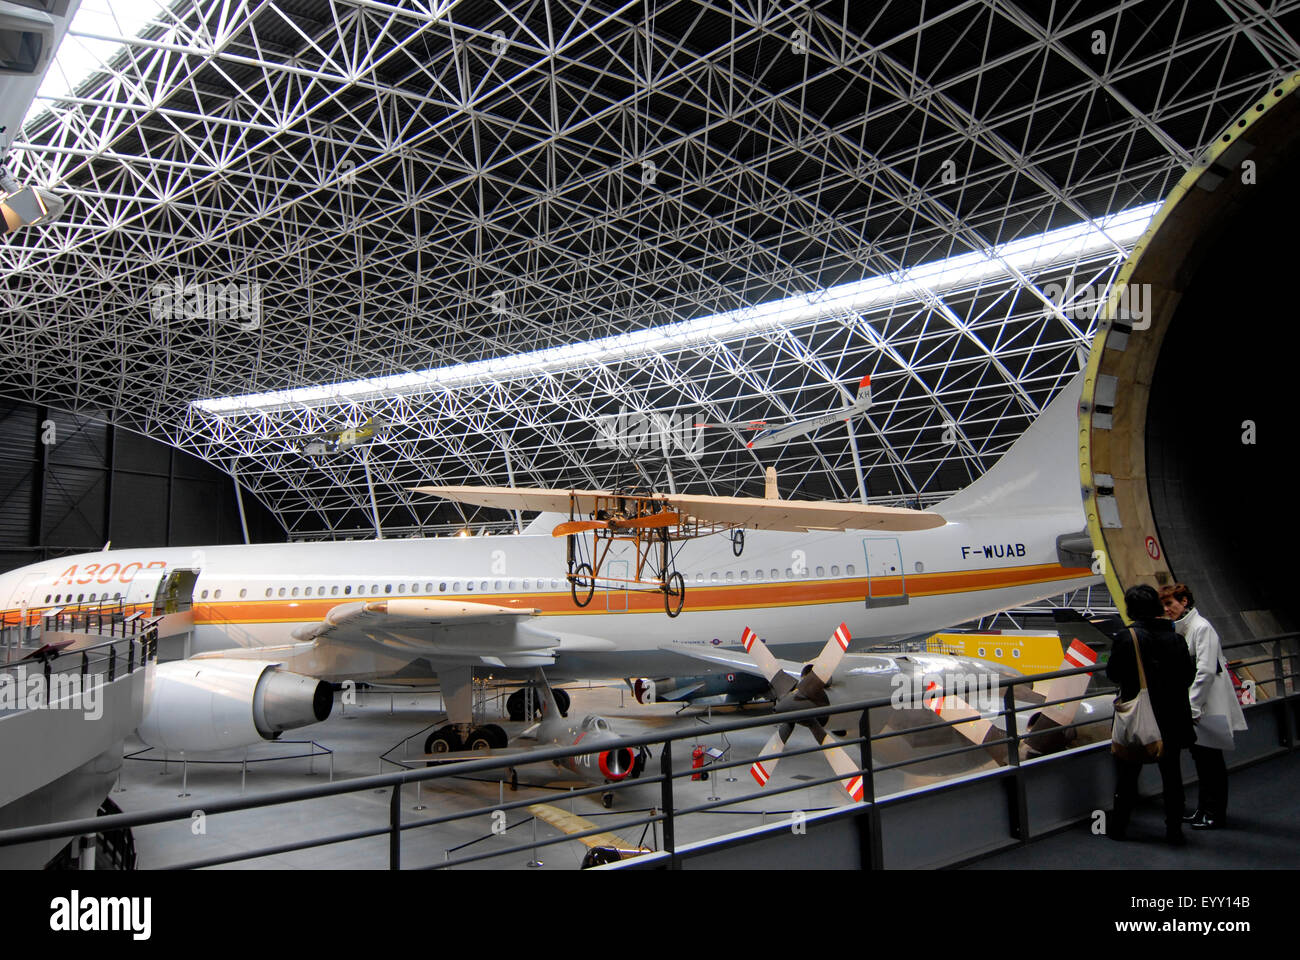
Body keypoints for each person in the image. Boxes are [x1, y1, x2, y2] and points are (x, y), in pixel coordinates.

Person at [1106, 584, 1195, 844]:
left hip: (1139, 717)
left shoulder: (1127, 638)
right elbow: (1188, 676)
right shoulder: (1176, 637)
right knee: (1172, 777)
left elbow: (1113, 674)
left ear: (1131, 609)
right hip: (1172, 717)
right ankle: (1174, 830)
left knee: (1127, 776)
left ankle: (1120, 827)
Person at [1161, 583, 1247, 829]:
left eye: (1170, 604)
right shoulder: (1190, 628)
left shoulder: (1201, 628)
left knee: (1211, 763)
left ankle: (1215, 813)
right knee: (1203, 761)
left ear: (1184, 601)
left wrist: (1193, 707)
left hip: (1205, 707)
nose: (1167, 609)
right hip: (1200, 707)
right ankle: (1204, 809)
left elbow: (1206, 671)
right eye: (1164, 605)